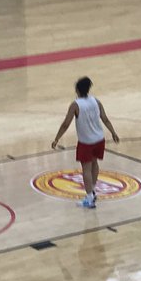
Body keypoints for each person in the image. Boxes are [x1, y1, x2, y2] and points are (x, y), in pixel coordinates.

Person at [51, 76, 120, 209]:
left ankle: (89, 198)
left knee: (86, 169)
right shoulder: (96, 101)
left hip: (86, 142)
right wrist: (113, 132)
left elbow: (66, 124)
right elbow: (105, 119)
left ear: (77, 90)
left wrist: (57, 138)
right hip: (99, 138)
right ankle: (92, 190)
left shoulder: (75, 105)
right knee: (95, 164)